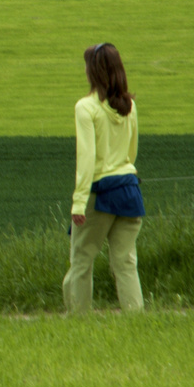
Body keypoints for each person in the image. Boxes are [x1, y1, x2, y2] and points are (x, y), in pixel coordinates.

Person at [64, 42, 145, 312]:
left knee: (81, 261)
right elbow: (131, 153)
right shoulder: (130, 106)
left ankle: (78, 321)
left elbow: (86, 158)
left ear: (93, 72)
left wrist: (78, 202)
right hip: (130, 189)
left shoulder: (85, 108)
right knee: (125, 262)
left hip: (100, 194)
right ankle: (137, 320)